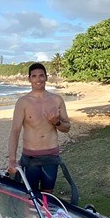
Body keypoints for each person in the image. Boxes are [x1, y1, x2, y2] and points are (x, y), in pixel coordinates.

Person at [7, 63, 71, 193]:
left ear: (46, 77)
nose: (38, 79)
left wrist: (56, 122)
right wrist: (12, 160)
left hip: (51, 156)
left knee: (47, 194)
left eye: (41, 75)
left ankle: (45, 213)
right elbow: (15, 131)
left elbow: (67, 128)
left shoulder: (57, 100)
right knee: (30, 196)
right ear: (29, 79)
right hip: (30, 159)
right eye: (34, 76)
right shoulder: (23, 102)